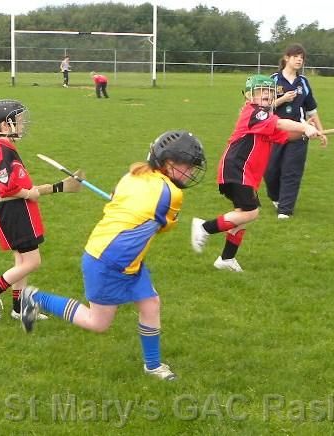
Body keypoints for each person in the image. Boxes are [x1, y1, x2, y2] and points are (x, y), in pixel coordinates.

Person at [20, 130, 207, 381]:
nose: (191, 171)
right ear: (167, 162)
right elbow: (165, 227)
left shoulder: (133, 175)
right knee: (98, 323)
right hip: (107, 261)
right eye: (188, 165)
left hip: (128, 259)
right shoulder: (172, 194)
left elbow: (120, 202)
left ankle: (153, 366)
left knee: (151, 304)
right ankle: (35, 298)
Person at [190, 75, 326, 272]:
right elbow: (280, 124)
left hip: (246, 173)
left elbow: (286, 135)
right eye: (262, 92)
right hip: (237, 168)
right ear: (249, 97)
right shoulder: (254, 112)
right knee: (250, 212)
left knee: (242, 216)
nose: (267, 95)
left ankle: (226, 259)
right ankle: (204, 227)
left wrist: (307, 132)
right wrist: (304, 126)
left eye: (270, 92)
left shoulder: (265, 119)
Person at [0, 99, 48, 322]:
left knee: (22, 262)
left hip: (18, 210)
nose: (22, 124)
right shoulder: (2, 150)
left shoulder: (6, 147)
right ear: (4, 126)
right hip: (15, 211)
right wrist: (29, 193)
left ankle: (19, 308)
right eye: (18, 120)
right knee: (32, 262)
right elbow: (6, 186)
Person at [264, 44, 326, 219]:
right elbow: (263, 108)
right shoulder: (273, 80)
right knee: (270, 171)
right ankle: (276, 197)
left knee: (291, 171)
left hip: (299, 134)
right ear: (286, 58)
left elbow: (312, 110)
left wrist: (321, 131)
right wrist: (282, 99)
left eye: (302, 57)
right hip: (275, 132)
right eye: (296, 56)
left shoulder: (303, 82)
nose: (299, 60)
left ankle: (285, 210)